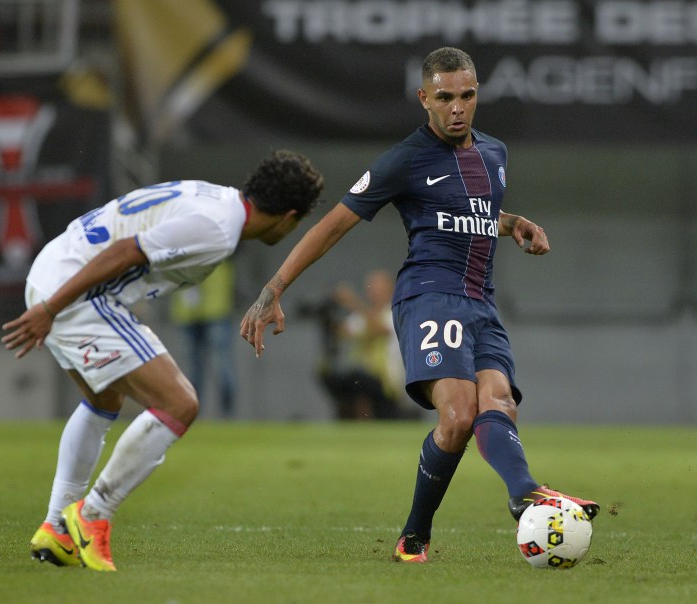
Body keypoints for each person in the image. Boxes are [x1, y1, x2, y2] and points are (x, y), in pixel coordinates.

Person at [240, 47, 599, 563]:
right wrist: (273, 288)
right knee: (458, 413)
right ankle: (520, 495)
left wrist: (513, 223)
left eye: (468, 95)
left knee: (499, 402)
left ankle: (422, 535)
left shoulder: (494, 153)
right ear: (424, 98)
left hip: (481, 300)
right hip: (429, 296)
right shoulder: (404, 159)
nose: (458, 107)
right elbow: (331, 226)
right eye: (446, 97)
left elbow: (472, 213)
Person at [2, 150, 324, 571]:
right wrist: (51, 308)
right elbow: (124, 251)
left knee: (104, 401)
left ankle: (57, 529)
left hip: (55, 270)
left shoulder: (218, 200)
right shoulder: (218, 229)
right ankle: (91, 515)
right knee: (180, 403)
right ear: (289, 217)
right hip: (75, 293)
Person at [321, 269, 413, 419]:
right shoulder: (361, 317)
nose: (374, 293)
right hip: (360, 379)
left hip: (387, 383)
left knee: (359, 377)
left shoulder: (396, 313)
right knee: (332, 376)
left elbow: (380, 329)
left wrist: (352, 301)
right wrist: (327, 312)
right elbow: (340, 333)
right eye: (371, 288)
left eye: (378, 288)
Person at [169, 260, 237, 417]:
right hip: (186, 311)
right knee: (191, 372)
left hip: (216, 309)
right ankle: (193, 417)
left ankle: (228, 417)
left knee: (223, 368)